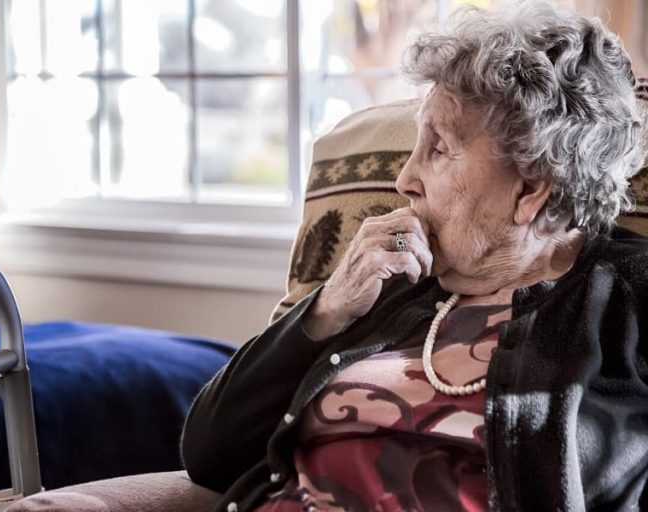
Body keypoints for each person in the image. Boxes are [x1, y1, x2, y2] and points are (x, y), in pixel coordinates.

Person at [180, 1, 648, 511]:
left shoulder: (627, 297)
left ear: (531, 189)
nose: (404, 180)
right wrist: (327, 308)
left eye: (438, 149)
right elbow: (208, 454)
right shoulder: (396, 272)